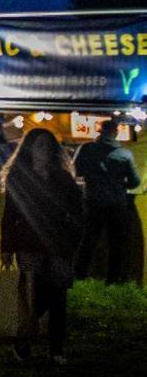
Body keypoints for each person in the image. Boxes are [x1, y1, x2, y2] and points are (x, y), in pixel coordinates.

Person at [0, 126, 85, 362]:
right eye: (39, 146)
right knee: (33, 294)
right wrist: (6, 247)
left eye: (47, 147)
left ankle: (55, 348)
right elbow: (10, 214)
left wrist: (72, 239)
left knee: (57, 296)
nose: (43, 151)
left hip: (58, 245)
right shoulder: (19, 176)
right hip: (29, 243)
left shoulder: (62, 178)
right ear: (29, 149)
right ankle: (24, 341)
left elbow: (77, 211)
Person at [73, 121, 141, 283]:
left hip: (92, 202)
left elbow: (77, 171)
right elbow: (135, 182)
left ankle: (80, 277)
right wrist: (119, 184)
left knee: (88, 242)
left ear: (99, 131)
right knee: (116, 244)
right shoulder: (124, 154)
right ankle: (113, 280)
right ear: (116, 132)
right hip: (117, 204)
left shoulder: (86, 149)